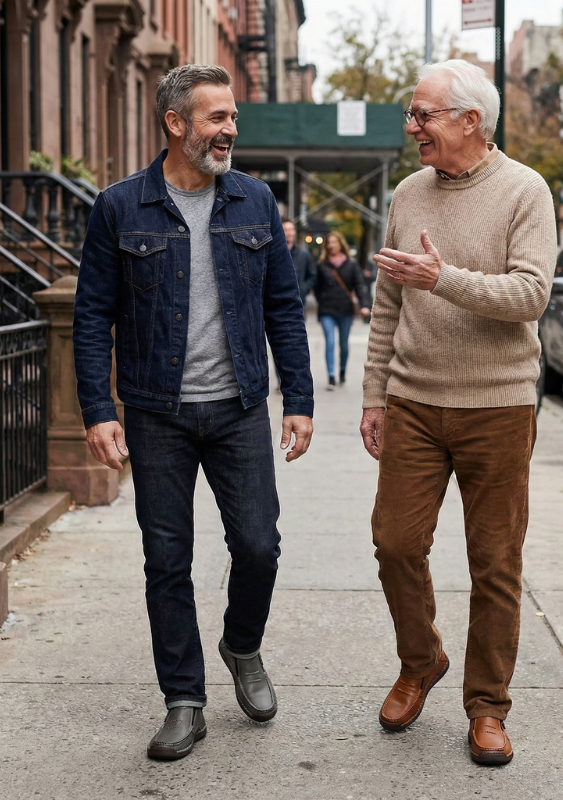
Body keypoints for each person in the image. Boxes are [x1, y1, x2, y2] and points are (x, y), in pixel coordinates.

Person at [72, 64, 314, 761]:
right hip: (155, 412)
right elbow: (91, 317)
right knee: (166, 559)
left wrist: (296, 400)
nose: (230, 129)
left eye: (232, 117)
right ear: (176, 124)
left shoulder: (255, 202)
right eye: (216, 118)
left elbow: (282, 309)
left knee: (260, 546)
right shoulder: (121, 207)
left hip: (238, 406)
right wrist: (97, 408)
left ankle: (242, 646)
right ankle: (184, 700)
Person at [359, 60, 556, 765]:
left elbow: (530, 296)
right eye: (412, 116)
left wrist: (443, 279)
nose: (412, 128)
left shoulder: (525, 191)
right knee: (394, 543)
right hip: (413, 401)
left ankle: (487, 706)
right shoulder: (408, 193)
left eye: (423, 116)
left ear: (470, 121)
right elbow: (388, 301)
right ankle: (421, 662)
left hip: (498, 406)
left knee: (494, 562)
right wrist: (374, 394)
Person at [313, 231, 370, 389]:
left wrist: (364, 305)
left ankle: (342, 371)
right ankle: (331, 377)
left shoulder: (351, 264)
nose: (331, 245)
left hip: (345, 310)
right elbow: (316, 287)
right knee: (330, 342)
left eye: (334, 242)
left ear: (340, 244)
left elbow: (359, 286)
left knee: (344, 344)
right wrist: (322, 300)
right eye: (329, 243)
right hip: (327, 311)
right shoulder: (322, 265)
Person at [282, 218, 316, 308]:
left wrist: (304, 288)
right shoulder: (273, 253)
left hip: (298, 302)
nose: (289, 233)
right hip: (277, 301)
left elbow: (312, 275)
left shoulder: (303, 253)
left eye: (291, 230)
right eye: (286, 230)